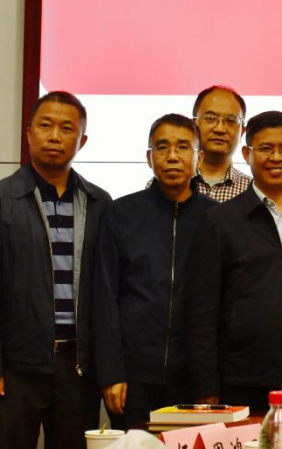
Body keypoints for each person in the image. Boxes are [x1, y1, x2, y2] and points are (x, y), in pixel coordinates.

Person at [187, 111, 282, 412]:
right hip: (241, 380)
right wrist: (205, 384)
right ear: (247, 154)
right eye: (266, 148)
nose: (276, 157)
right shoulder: (220, 221)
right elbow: (203, 310)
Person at [0, 92, 112, 449]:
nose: (55, 136)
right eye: (45, 126)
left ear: (82, 140)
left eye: (67, 128)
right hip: (16, 366)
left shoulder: (99, 202)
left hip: (78, 366)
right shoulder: (0, 201)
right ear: (29, 133)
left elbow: (107, 291)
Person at [93, 114, 217, 429]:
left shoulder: (216, 219)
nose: (172, 156)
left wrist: (211, 380)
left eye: (183, 147)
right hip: (133, 378)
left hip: (194, 378)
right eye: (162, 147)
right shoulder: (120, 213)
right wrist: (111, 372)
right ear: (149, 158)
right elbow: (104, 297)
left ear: (199, 158)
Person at [191, 85, 252, 201]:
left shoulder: (253, 192)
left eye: (230, 120)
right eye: (210, 118)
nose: (220, 129)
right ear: (193, 125)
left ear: (242, 132)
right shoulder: (170, 185)